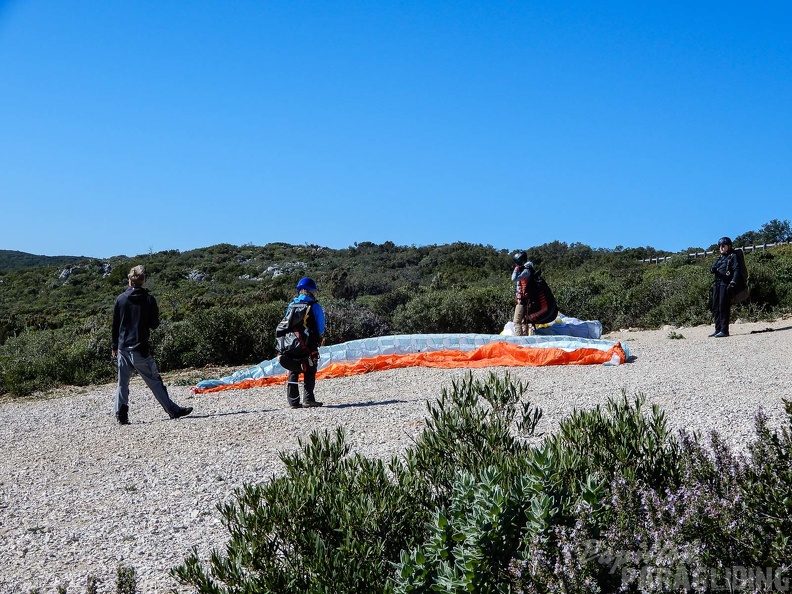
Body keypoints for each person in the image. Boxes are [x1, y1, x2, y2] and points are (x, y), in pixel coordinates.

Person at [112, 265, 193, 424]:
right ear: (143, 281)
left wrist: (114, 346)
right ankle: (173, 410)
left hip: (122, 348)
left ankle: (121, 416)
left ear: (130, 280)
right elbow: (154, 324)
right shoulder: (149, 300)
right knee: (155, 381)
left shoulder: (120, 299)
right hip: (140, 349)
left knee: (122, 383)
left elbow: (115, 325)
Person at [279, 276, 326, 409]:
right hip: (308, 344)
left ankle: (293, 402)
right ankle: (308, 399)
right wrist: (319, 337)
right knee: (310, 368)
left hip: (291, 343)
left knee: (293, 369)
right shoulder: (314, 306)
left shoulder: (291, 305)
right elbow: (321, 326)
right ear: (311, 291)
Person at [709, 236, 742, 338]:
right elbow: (711, 268)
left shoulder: (732, 256)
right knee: (715, 307)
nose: (721, 248)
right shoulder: (720, 258)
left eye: (723, 246)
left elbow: (737, 270)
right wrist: (712, 269)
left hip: (725, 284)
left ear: (729, 246)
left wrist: (733, 282)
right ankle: (717, 329)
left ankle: (724, 330)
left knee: (723, 307)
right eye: (720, 246)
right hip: (717, 284)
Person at [511, 251, 535, 336]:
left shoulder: (527, 271)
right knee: (524, 322)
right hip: (526, 300)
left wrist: (516, 268)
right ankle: (525, 340)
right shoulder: (528, 269)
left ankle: (519, 340)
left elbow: (514, 278)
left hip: (523, 301)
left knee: (516, 321)